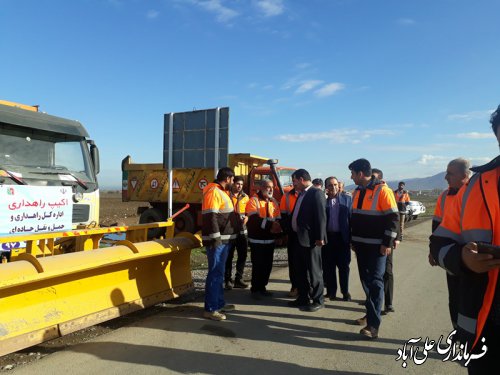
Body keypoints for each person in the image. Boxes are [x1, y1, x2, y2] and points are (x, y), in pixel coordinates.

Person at [430, 105, 500, 374]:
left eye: (450, 173)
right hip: (486, 327)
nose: (446, 177)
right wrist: (461, 258)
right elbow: (439, 241)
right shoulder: (473, 189)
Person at [349, 158, 399, 339]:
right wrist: (352, 240)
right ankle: (370, 314)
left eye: (353, 174)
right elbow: (353, 218)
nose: (351, 177)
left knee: (376, 283)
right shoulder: (356, 192)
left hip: (377, 247)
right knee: (366, 282)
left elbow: (393, 220)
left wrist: (387, 243)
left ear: (361, 174)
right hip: (360, 246)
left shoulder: (383, 191)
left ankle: (373, 325)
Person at [428, 158, 471, 329]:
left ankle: (473, 339)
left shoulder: (478, 194)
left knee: (472, 299)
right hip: (452, 256)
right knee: (454, 297)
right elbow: (437, 226)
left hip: (475, 257)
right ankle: (458, 334)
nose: (446, 177)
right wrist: (434, 251)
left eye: (450, 174)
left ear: (466, 175)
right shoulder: (445, 196)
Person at [202, 167, 239, 321]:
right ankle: (211, 309)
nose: (234, 183)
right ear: (228, 178)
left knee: (219, 273)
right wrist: (215, 239)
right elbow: (211, 217)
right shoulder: (213, 191)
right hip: (218, 242)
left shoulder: (221, 191)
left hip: (224, 240)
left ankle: (219, 303)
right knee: (215, 273)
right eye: (232, 180)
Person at [287, 169, 327, 312]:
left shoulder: (316, 193)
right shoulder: (301, 194)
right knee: (300, 271)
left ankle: (318, 300)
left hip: (311, 241)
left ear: (302, 179)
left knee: (314, 271)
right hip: (298, 239)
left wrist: (320, 237)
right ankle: (303, 297)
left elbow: (321, 217)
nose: (293, 184)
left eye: (295, 181)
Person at [246, 179, 282, 300]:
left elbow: (278, 218)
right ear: (261, 188)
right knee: (258, 266)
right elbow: (254, 221)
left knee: (267, 266)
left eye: (272, 187)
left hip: (270, 240)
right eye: (268, 187)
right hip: (257, 240)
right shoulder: (253, 200)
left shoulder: (274, 202)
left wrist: (278, 233)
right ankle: (255, 289)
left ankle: (262, 288)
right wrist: (271, 225)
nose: (270, 189)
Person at [371, 168, 398, 315]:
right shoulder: (370, 192)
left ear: (380, 178)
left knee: (387, 271)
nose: (372, 180)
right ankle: (375, 300)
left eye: (374, 178)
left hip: (386, 240)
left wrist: (395, 238)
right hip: (373, 241)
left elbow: (394, 217)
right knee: (375, 274)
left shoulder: (386, 191)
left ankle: (388, 303)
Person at [322, 176, 353, 301]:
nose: (333, 187)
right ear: (326, 188)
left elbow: (352, 220)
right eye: (330, 185)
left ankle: (345, 292)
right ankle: (331, 292)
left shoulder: (347, 200)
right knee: (328, 267)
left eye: (335, 184)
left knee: (344, 267)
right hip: (328, 238)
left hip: (342, 239)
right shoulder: (323, 202)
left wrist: (352, 239)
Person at [224, 176, 250, 290]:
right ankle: (227, 280)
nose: (239, 186)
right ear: (233, 183)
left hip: (242, 231)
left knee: (243, 255)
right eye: (237, 184)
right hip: (229, 231)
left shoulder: (245, 197)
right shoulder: (226, 195)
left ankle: (238, 279)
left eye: (241, 185)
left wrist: (247, 218)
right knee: (229, 256)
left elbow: (249, 212)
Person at [279, 186, 299, 297]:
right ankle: (295, 286)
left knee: (306, 263)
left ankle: (306, 288)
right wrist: (287, 231)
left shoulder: (308, 195)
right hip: (292, 234)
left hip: (305, 235)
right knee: (293, 262)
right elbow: (283, 216)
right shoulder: (286, 197)